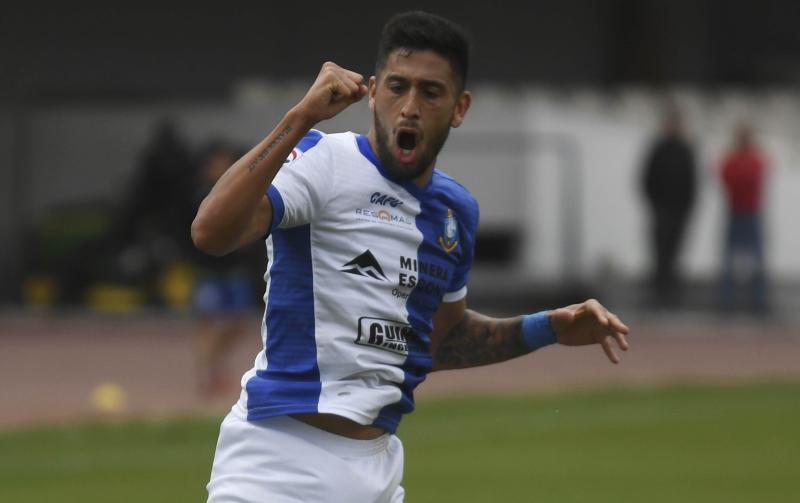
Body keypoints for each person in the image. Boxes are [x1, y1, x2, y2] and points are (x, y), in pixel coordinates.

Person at [192, 11, 630, 502]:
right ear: (373, 92)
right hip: (277, 464)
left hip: (378, 470)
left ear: (460, 108)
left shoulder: (454, 212)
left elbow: (439, 342)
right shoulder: (325, 161)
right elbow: (211, 231)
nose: (409, 108)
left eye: (430, 92)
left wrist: (548, 327)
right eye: (397, 87)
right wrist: (300, 118)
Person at [190, 142, 261, 397]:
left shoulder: (240, 192)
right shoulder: (201, 195)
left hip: (235, 271)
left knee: (238, 323)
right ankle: (207, 374)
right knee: (208, 324)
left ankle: (215, 365)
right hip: (209, 273)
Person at [640, 104, 697, 307]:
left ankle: (673, 294)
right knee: (660, 253)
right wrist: (655, 205)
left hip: (680, 211)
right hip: (661, 209)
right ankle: (658, 293)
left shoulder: (686, 150)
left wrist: (687, 208)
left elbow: (692, 182)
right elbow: (647, 179)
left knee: (675, 252)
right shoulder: (658, 149)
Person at [718, 123, 769, 312]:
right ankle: (727, 301)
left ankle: (759, 301)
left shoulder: (755, 160)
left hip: (751, 213)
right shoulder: (732, 160)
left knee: (758, 260)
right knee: (729, 260)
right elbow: (728, 178)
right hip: (736, 213)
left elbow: (754, 177)